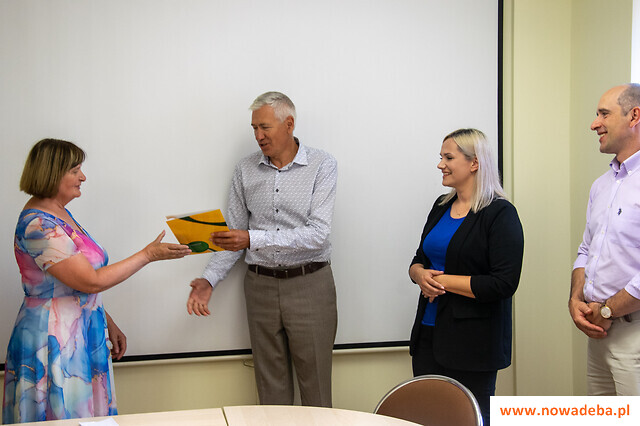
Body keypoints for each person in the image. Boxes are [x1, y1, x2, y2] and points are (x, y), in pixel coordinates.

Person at [2, 139, 191, 424]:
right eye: (74, 170)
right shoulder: (38, 225)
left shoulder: (60, 214)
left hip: (81, 331)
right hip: (53, 340)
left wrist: (106, 320)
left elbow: (72, 282)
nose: (83, 177)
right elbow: (90, 281)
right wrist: (148, 255)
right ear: (52, 173)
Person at [186, 91, 338, 407]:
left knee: (316, 389)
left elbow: (318, 235)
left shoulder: (322, 165)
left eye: (265, 127)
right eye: (254, 128)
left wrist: (252, 239)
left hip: (310, 284)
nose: (258, 136)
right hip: (260, 287)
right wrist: (209, 279)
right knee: (270, 392)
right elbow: (233, 236)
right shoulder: (245, 170)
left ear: (289, 124)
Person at [408, 128, 524, 426]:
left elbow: (503, 283)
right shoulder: (441, 206)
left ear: (474, 163)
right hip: (429, 335)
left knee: (470, 419)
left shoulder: (500, 213)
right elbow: (419, 259)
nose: (440, 164)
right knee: (429, 417)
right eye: (441, 157)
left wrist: (442, 282)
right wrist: (419, 274)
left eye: (448, 158)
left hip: (473, 344)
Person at [569, 83, 640, 395]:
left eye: (604, 114)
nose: (594, 124)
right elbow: (587, 249)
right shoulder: (601, 185)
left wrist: (608, 309)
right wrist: (576, 299)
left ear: (634, 116)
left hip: (633, 336)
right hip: (598, 333)